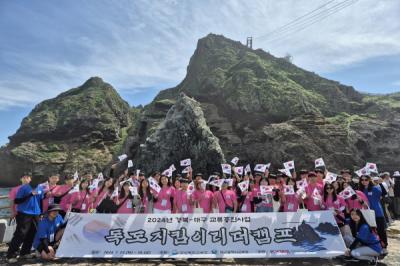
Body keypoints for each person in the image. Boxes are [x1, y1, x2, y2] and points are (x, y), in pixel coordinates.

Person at [7, 175, 45, 262]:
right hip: (24, 213)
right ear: (32, 179)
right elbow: (17, 201)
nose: (38, 181)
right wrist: (30, 194)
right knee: (21, 233)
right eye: (37, 179)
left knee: (33, 232)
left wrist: (41, 213)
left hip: (36, 213)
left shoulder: (40, 188)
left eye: (40, 179)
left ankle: (24, 252)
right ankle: (11, 254)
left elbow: (41, 201)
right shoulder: (24, 188)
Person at [359, 174, 388, 252]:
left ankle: (384, 246)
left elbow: (384, 193)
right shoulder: (360, 190)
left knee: (381, 230)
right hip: (366, 213)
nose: (364, 181)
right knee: (370, 230)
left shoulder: (374, 188)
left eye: (366, 180)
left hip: (377, 212)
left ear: (369, 180)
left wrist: (381, 183)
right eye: (362, 180)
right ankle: (373, 245)